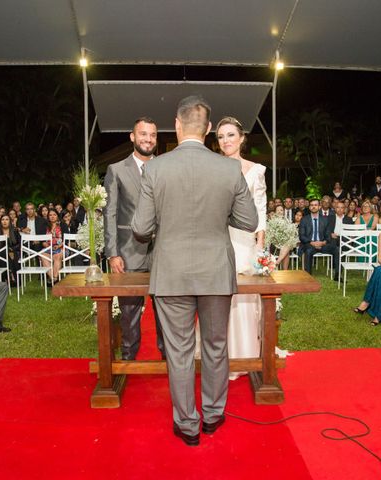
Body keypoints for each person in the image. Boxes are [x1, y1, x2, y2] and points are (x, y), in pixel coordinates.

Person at [131, 96, 258, 446]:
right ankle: (213, 416)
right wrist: (220, 217)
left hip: (171, 272)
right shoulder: (229, 168)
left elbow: (141, 228)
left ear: (176, 124)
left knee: (180, 351)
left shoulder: (155, 169)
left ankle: (187, 424)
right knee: (216, 347)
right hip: (216, 271)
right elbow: (249, 220)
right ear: (208, 130)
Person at [103, 116, 166, 361]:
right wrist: (112, 252)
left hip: (163, 252)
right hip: (128, 252)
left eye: (152, 135)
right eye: (143, 134)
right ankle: (128, 360)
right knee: (129, 312)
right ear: (132, 137)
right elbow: (109, 213)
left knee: (165, 310)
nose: (148, 139)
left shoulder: (165, 167)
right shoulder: (116, 170)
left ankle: (167, 360)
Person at [216, 116, 267, 374]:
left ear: (242, 138)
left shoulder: (256, 170)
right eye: (221, 136)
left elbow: (260, 208)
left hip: (245, 242)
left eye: (230, 135)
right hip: (218, 240)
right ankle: (217, 355)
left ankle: (245, 356)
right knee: (218, 296)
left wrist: (260, 246)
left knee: (244, 297)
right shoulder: (212, 168)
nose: (226, 140)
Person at [299, 198, 338, 278]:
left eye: (316, 205)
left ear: (319, 207)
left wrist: (323, 242)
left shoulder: (325, 220)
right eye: (312, 205)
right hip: (309, 243)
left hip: (322, 244)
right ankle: (308, 276)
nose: (313, 207)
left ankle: (337, 275)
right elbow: (302, 236)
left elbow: (328, 236)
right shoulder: (304, 219)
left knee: (336, 249)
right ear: (309, 207)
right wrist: (312, 242)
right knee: (309, 251)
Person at [43, 209, 63, 284]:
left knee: (57, 256)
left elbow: (66, 240)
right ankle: (54, 279)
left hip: (61, 247)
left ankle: (54, 278)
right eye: (50, 215)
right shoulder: (45, 226)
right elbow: (43, 240)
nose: (52, 216)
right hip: (48, 248)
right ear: (48, 217)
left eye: (54, 214)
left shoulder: (62, 225)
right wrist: (46, 244)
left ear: (57, 216)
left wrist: (58, 246)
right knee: (43, 256)